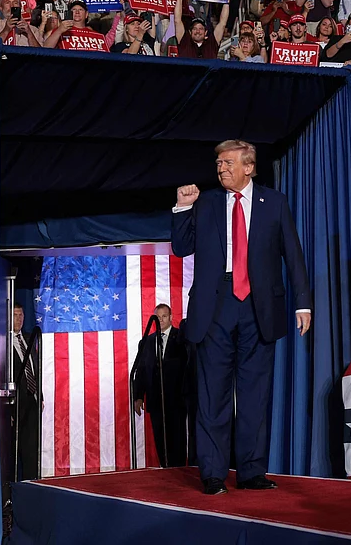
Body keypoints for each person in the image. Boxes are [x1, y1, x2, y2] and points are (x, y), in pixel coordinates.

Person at [171, 140, 312, 495]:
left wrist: (303, 303)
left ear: (248, 167)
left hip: (259, 308)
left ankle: (251, 472)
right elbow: (181, 247)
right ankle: (213, 474)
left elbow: (293, 254)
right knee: (212, 395)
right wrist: (183, 207)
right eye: (218, 163)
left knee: (254, 394)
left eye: (228, 163)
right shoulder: (205, 202)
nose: (221, 168)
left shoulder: (274, 202)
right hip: (215, 306)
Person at [131, 303, 190, 468]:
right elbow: (141, 371)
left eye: (164, 316)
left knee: (177, 438)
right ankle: (165, 469)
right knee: (160, 438)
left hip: (177, 399)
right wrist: (138, 396)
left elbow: (187, 367)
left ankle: (178, 470)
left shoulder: (181, 339)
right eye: (158, 317)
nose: (161, 320)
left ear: (171, 317)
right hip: (155, 400)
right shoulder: (146, 342)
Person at [10, 303, 41, 481]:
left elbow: (35, 368)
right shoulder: (4, 342)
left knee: (31, 449)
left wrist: (40, 396)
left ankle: (32, 484)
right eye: (15, 315)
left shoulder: (29, 338)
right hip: (16, 403)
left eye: (21, 315)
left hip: (32, 400)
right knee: (14, 449)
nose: (19, 319)